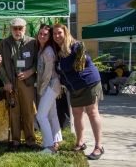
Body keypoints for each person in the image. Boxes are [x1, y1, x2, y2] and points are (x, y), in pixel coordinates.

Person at [53, 23, 104, 160]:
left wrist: (81, 55)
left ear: (66, 33)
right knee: (76, 114)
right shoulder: (58, 50)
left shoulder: (75, 46)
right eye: (55, 34)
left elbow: (86, 61)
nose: (57, 36)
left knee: (92, 113)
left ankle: (98, 147)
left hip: (88, 83)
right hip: (73, 88)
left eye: (59, 33)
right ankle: (80, 142)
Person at [0, 18, 39, 152]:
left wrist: (29, 72)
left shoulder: (32, 42)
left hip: (26, 83)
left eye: (20, 28)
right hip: (12, 83)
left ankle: (30, 140)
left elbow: (37, 62)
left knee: (28, 112)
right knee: (14, 113)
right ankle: (15, 141)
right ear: (11, 29)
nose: (17, 31)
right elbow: (1, 65)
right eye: (15, 29)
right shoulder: (4, 43)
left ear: (25, 29)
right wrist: (6, 82)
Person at [36, 24, 62, 154]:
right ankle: (55, 141)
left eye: (45, 34)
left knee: (41, 116)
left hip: (51, 86)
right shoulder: (42, 49)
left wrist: (41, 91)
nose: (42, 36)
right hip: (51, 86)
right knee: (52, 114)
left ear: (49, 37)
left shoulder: (48, 51)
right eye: (40, 33)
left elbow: (47, 74)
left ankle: (49, 146)